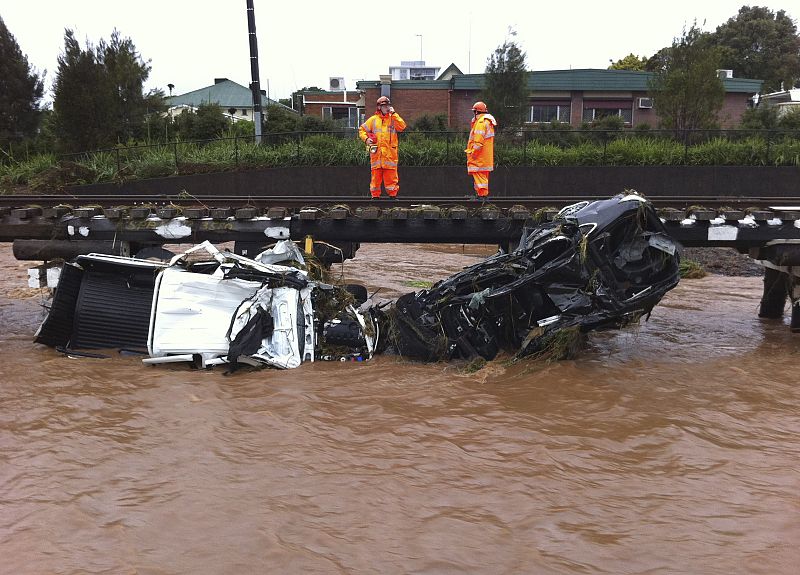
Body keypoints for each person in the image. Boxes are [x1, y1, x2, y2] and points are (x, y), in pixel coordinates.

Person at [358, 96, 407, 199]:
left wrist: (394, 114)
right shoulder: (373, 120)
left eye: (388, 105)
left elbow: (402, 127)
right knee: (375, 179)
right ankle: (375, 197)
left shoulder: (393, 118)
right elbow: (362, 130)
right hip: (377, 155)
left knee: (391, 178)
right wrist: (366, 139)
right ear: (379, 107)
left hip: (389, 156)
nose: (386, 107)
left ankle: (393, 196)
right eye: (384, 106)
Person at [464, 101, 497, 200]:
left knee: (479, 175)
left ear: (476, 112)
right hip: (485, 156)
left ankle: (481, 196)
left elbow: (478, 142)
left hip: (479, 156)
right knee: (482, 177)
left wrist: (473, 154)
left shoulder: (480, 123)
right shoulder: (487, 122)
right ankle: (481, 195)